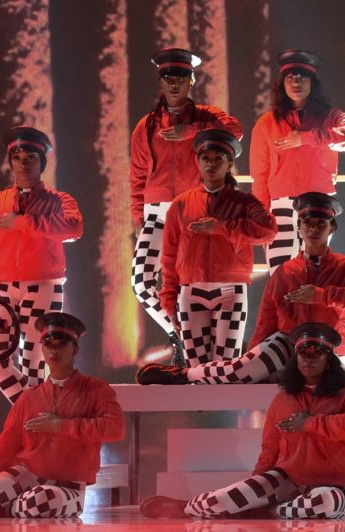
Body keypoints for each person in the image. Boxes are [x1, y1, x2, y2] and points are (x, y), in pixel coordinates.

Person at [136, 192, 345, 385]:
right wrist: (254, 356)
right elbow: (267, 318)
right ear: (299, 227)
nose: (313, 229)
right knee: (242, 369)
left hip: (328, 345)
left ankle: (188, 375)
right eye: (308, 223)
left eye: (321, 224)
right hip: (287, 343)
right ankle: (183, 376)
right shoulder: (286, 271)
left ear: (332, 228)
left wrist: (321, 295)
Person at [139, 322, 345, 520]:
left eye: (316, 353)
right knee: (233, 495)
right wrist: (254, 488)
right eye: (303, 353)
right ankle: (186, 508)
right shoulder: (284, 398)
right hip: (286, 479)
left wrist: (309, 423)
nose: (308, 359)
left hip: (331, 486)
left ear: (329, 360)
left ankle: (274, 511)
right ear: (295, 358)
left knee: (326, 504)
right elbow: (269, 450)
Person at [130, 48, 243, 362]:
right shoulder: (147, 126)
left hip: (194, 210)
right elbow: (137, 176)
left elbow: (235, 132)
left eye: (181, 76)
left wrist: (190, 132)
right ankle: (180, 334)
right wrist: (139, 218)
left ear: (192, 80)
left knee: (187, 285)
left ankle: (201, 352)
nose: (174, 82)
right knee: (141, 282)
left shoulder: (207, 116)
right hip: (156, 213)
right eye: (168, 76)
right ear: (161, 82)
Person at [0, 313, 125, 518]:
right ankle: (12, 505)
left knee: (43, 501)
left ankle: (8, 507)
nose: (54, 349)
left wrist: (62, 426)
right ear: (42, 348)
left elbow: (115, 428)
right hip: (25, 475)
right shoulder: (29, 398)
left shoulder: (97, 389)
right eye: (48, 343)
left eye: (62, 344)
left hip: (67, 486)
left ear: (75, 348)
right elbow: (4, 449)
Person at [0, 127, 83, 403]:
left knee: (34, 362)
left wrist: (24, 223)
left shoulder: (59, 200)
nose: (23, 162)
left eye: (31, 157)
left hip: (44, 284)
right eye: (17, 156)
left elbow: (74, 228)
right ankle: (33, 411)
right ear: (10, 161)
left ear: (42, 163)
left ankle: (33, 422)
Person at [159, 129, 276, 366]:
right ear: (198, 162)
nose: (211, 164)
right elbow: (169, 256)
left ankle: (224, 403)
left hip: (231, 291)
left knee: (226, 367)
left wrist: (222, 227)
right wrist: (169, 302)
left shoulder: (244, 202)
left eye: (218, 159)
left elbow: (269, 231)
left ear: (229, 163)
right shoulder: (181, 203)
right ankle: (198, 404)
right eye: (206, 159)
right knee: (197, 368)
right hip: (190, 292)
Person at [250, 49, 345, 276]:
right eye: (290, 77)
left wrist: (305, 138)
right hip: (280, 207)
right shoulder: (267, 123)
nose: (296, 82)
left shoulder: (331, 116)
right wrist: (263, 216)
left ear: (313, 82)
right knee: (281, 277)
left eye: (302, 76)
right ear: (282, 83)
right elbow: (259, 176)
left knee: (314, 276)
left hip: (318, 205)